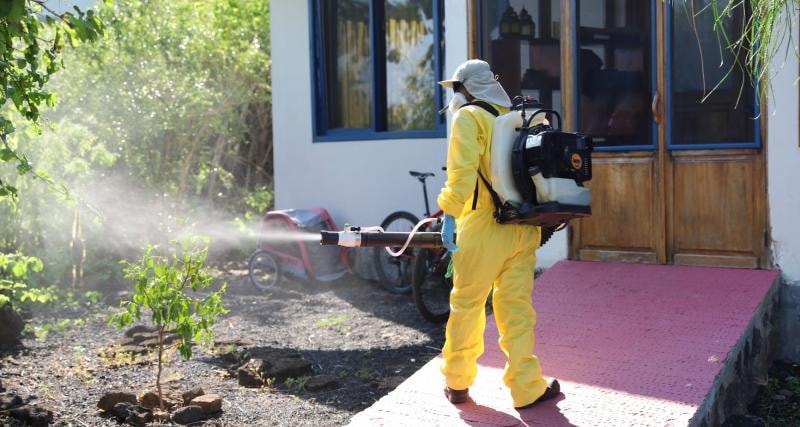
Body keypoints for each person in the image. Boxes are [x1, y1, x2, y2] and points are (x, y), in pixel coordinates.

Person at [436, 59, 560, 409]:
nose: (455, 95)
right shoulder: (521, 118)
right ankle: (527, 388)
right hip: (522, 227)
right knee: (517, 310)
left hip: (483, 228)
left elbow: (461, 176)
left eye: (456, 89)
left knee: (467, 305)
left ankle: (457, 382)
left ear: (466, 88)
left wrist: (449, 215)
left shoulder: (469, 117)